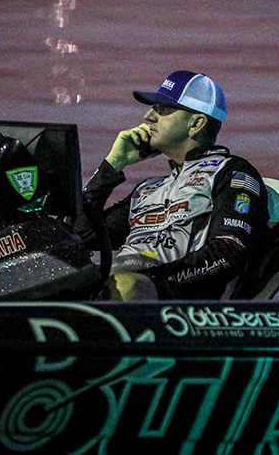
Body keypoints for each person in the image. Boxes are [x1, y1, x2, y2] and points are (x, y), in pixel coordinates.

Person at [76, 70, 269, 300]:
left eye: (163, 109)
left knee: (125, 285)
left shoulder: (231, 172)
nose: (148, 116)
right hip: (112, 289)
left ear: (196, 123)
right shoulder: (148, 188)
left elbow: (229, 251)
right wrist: (112, 165)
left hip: (170, 302)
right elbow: (81, 236)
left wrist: (149, 282)